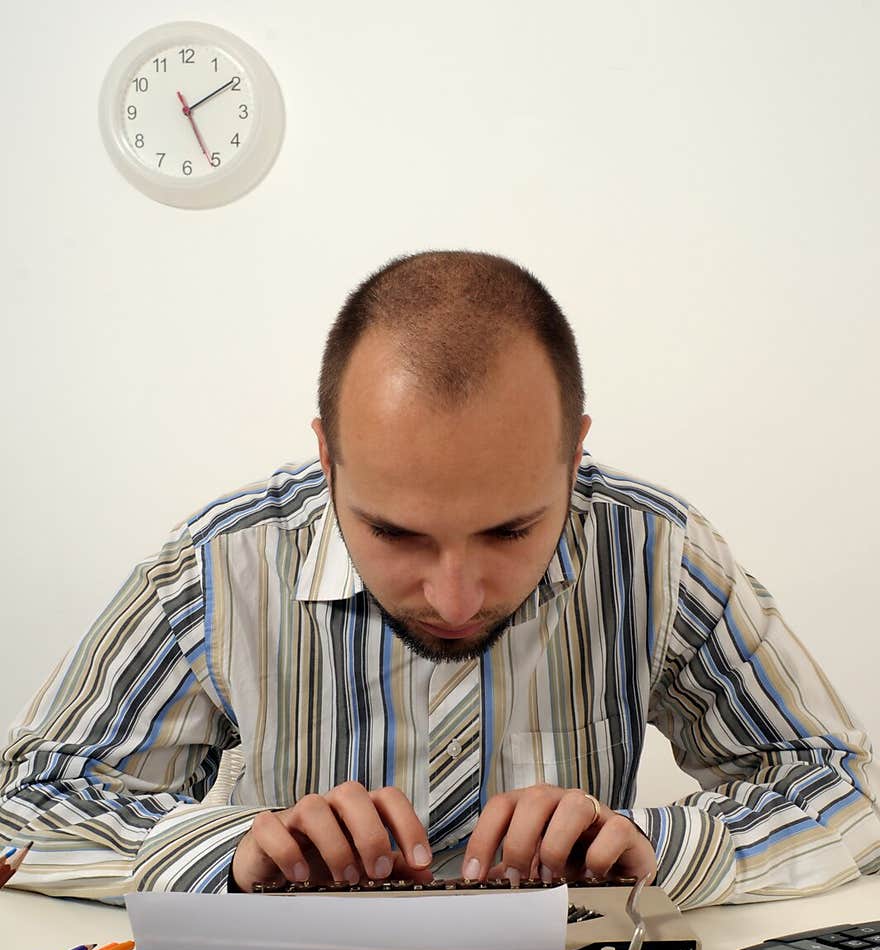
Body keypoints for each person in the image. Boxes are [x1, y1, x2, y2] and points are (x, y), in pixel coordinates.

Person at [1, 250, 878, 908]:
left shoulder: (658, 553)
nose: (456, 598)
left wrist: (652, 849)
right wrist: (230, 851)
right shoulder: (217, 567)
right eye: (393, 532)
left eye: (511, 529)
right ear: (327, 459)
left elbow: (844, 784)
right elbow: (27, 805)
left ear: (574, 456)